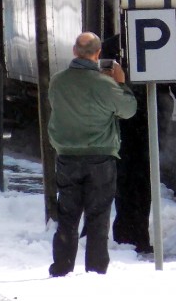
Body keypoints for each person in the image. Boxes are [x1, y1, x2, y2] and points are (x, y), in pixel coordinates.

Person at [47, 32, 137, 277]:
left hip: (67, 157)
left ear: (74, 51)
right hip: (101, 158)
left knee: (67, 215)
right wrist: (120, 83)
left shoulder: (57, 81)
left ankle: (62, 266)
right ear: (98, 54)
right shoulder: (105, 84)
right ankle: (96, 270)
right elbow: (128, 110)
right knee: (98, 216)